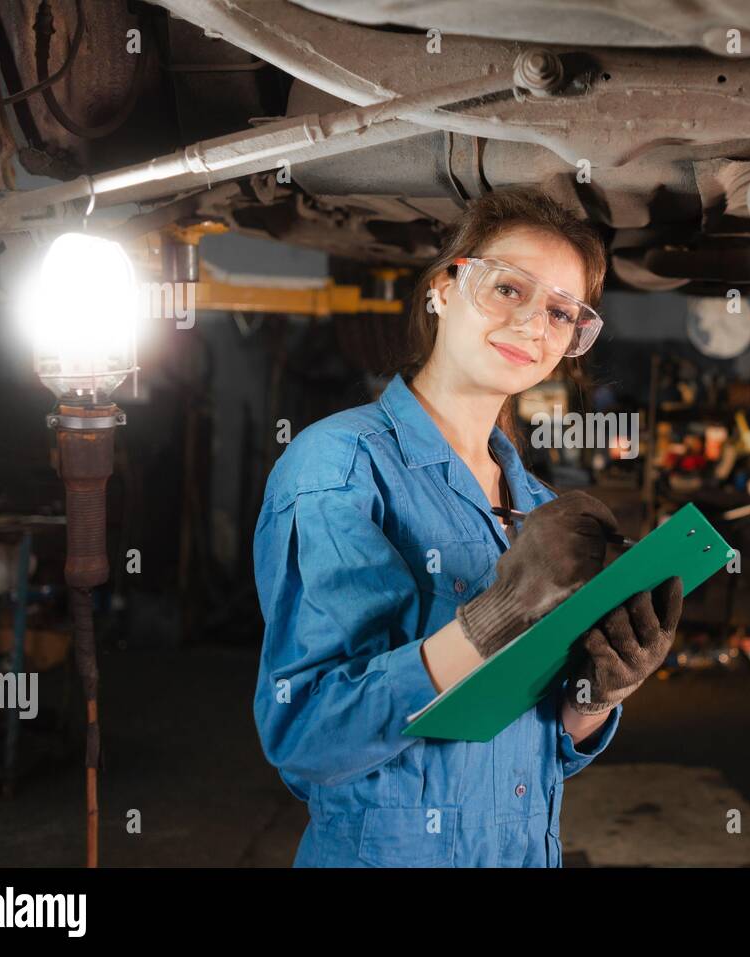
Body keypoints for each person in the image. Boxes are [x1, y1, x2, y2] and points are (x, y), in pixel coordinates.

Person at [252, 186, 683, 867]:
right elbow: (306, 732)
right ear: (444, 289)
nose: (533, 324)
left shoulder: (538, 504)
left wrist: (597, 694)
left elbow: (533, 759)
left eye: (560, 311)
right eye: (508, 288)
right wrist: (492, 622)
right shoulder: (338, 465)